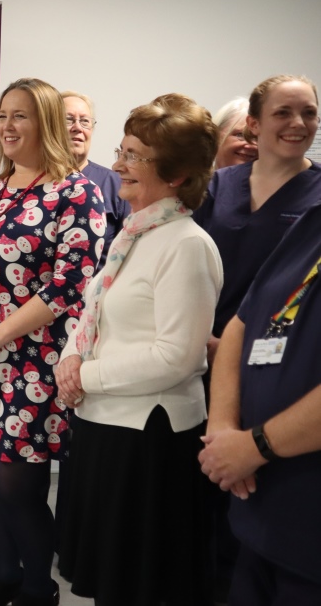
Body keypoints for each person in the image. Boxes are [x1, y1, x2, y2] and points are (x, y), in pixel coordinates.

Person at [55, 94, 222, 605]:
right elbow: (94, 311)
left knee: (137, 586)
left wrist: (86, 377)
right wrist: (70, 357)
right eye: (122, 150)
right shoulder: (135, 235)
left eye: (135, 156)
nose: (119, 164)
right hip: (108, 427)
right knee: (110, 582)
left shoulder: (186, 244)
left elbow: (178, 357)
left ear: (174, 175)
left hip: (148, 443)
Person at [0, 77, 104, 606]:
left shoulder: (76, 193)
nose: (7, 127)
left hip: (31, 364)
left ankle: (39, 588)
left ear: (47, 124)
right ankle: (6, 577)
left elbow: (70, 286)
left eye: (21, 116)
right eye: (3, 115)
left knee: (22, 487)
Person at [193, 74, 321, 602]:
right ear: (253, 122)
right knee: (207, 489)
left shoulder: (315, 201)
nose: (298, 125)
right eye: (283, 113)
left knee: (258, 499)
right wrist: (202, 341)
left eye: (309, 114)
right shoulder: (217, 187)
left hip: (283, 382)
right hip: (203, 361)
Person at [63, 91, 130, 252]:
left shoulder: (115, 183)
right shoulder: (34, 181)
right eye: (68, 120)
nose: (77, 127)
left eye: (85, 121)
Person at [211, 98, 258, 170]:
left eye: (257, 138)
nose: (251, 146)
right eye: (240, 135)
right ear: (216, 135)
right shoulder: (193, 179)